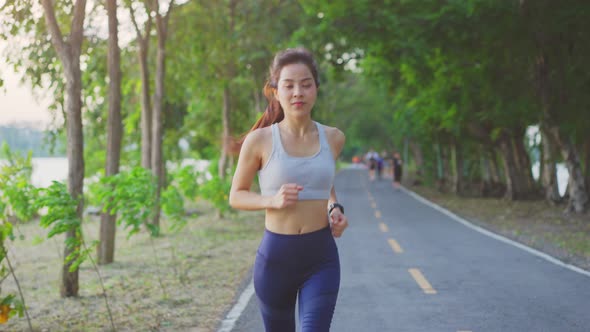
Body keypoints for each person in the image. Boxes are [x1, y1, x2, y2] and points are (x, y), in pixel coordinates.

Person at [228, 47, 349, 332]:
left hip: (321, 258)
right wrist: (273, 199)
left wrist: (335, 207)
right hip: (276, 260)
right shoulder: (259, 141)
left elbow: (323, 178)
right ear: (275, 92)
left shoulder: (334, 138)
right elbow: (237, 195)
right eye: (289, 85)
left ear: (316, 89)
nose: (298, 92)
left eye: (306, 84)